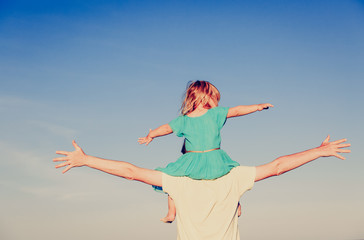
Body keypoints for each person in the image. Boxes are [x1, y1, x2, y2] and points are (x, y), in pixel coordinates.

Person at [53, 135, 350, 240]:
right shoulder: (234, 176)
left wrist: (86, 159)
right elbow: (277, 167)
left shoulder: (177, 182)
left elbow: (131, 172)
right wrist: (318, 151)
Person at [138, 80, 273, 222]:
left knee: (171, 179)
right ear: (206, 96)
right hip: (214, 157)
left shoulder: (184, 120)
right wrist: (257, 107)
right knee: (229, 178)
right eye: (215, 98)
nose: (217, 102)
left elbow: (166, 128)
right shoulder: (215, 113)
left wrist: (151, 135)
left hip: (193, 160)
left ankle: (171, 212)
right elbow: (237, 110)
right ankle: (236, 204)